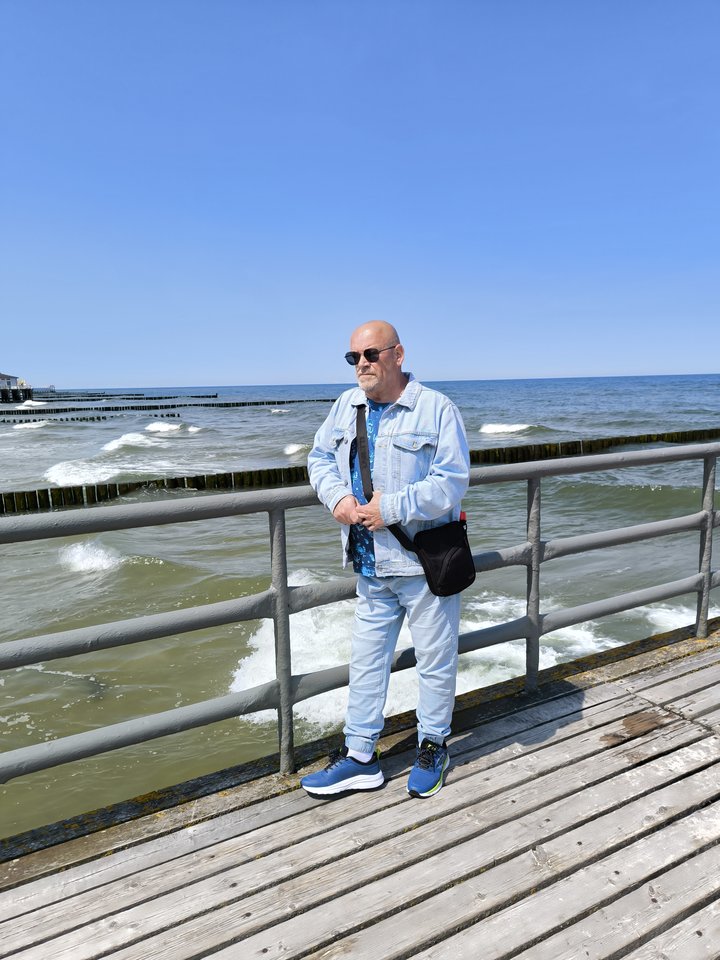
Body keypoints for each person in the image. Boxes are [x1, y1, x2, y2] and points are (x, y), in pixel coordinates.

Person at [301, 321, 470, 799]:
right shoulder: (345, 405)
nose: (361, 364)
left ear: (398, 354)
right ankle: (360, 757)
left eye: (370, 354)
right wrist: (337, 497)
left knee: (435, 661)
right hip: (369, 562)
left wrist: (391, 507)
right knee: (366, 663)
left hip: (422, 562)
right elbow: (318, 458)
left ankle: (432, 746)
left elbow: (452, 481)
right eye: (353, 357)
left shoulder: (436, 408)